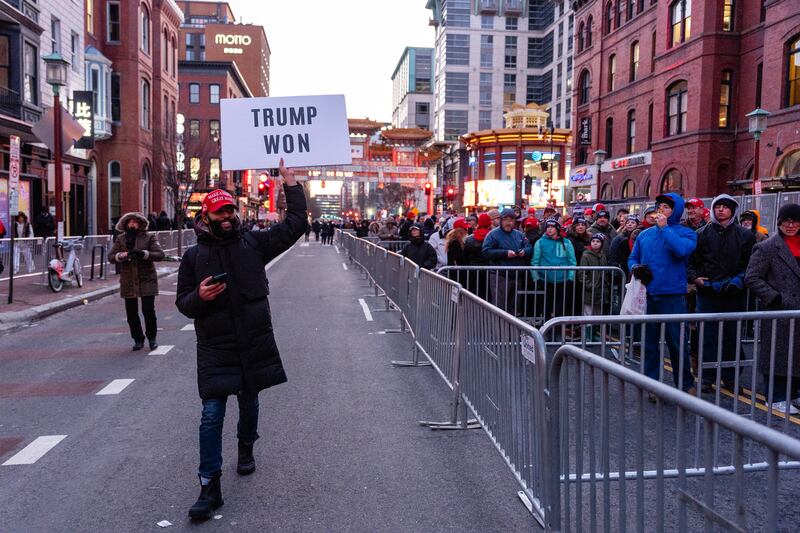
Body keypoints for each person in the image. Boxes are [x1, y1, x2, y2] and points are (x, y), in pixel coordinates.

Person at [176, 160, 307, 520]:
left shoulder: (254, 244)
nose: (229, 216)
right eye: (221, 212)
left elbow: (296, 225)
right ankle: (209, 486)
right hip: (216, 350)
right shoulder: (193, 257)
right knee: (211, 415)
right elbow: (183, 304)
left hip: (252, 344)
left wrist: (291, 184)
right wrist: (199, 297)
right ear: (208, 216)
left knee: (249, 402)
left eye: (232, 210)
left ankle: (246, 447)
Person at [628, 192, 697, 395]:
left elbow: (682, 250)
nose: (661, 210)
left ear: (675, 211)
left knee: (677, 343)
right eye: (659, 207)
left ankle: (685, 384)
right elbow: (632, 257)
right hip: (648, 295)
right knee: (650, 343)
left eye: (666, 207)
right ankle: (652, 385)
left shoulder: (686, 233)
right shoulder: (644, 234)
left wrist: (665, 228)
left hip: (673, 296)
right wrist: (635, 268)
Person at [687, 194, 756, 393]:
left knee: (731, 338)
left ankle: (731, 378)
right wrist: (695, 279)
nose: (721, 210)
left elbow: (751, 265)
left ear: (733, 211)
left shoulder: (745, 236)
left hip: (734, 294)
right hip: (708, 294)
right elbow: (691, 264)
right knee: (707, 338)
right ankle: (707, 378)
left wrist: (740, 280)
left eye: (726, 207)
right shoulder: (701, 234)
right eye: (718, 206)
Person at [745, 204, 800, 414]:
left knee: (796, 355)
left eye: (795, 221)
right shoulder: (767, 247)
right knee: (778, 355)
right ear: (779, 222)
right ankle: (775, 396)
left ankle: (794, 394)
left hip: (796, 311)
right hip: (780, 310)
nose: (791, 225)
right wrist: (774, 298)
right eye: (786, 221)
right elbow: (751, 277)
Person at [109, 212, 165, 351]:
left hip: (147, 278)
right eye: (129, 222)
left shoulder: (149, 237)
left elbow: (160, 255)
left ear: (140, 223)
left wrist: (144, 254)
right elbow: (111, 257)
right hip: (128, 279)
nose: (132, 224)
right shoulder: (121, 239)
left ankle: (152, 338)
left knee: (148, 310)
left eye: (135, 222)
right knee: (131, 312)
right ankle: (138, 339)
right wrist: (121, 256)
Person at [482, 208, 533, 314]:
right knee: (500, 309)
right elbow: (486, 252)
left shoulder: (519, 235)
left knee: (514, 308)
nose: (508, 223)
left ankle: (512, 330)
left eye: (511, 220)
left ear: (514, 221)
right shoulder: (493, 234)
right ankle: (498, 330)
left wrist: (524, 252)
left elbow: (530, 248)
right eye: (505, 220)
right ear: (501, 220)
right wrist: (505, 253)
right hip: (499, 276)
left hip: (516, 276)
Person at [531, 219, 577, 321]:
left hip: (563, 280)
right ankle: (546, 331)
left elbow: (572, 261)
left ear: (557, 229)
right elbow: (535, 261)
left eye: (552, 227)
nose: (550, 229)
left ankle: (558, 331)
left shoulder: (566, 242)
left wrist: (570, 278)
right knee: (546, 307)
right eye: (548, 227)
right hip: (545, 280)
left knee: (560, 308)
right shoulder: (540, 242)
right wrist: (536, 278)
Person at [580, 233, 611, 340]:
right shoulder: (586, 255)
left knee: (597, 312)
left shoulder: (603, 255)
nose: (595, 243)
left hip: (601, 289)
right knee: (588, 312)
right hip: (591, 289)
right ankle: (587, 335)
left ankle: (594, 334)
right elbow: (582, 274)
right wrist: (589, 285)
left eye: (598, 242)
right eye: (593, 241)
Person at [463, 213, 492, 296]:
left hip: (473, 270)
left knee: (474, 295)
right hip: (490, 270)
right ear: (489, 223)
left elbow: (465, 256)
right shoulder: (493, 237)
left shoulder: (469, 239)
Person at [445, 217, 470, 285]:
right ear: (459, 230)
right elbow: (460, 259)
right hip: (457, 274)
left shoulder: (457, 240)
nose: (467, 230)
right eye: (465, 229)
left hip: (458, 273)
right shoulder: (455, 242)